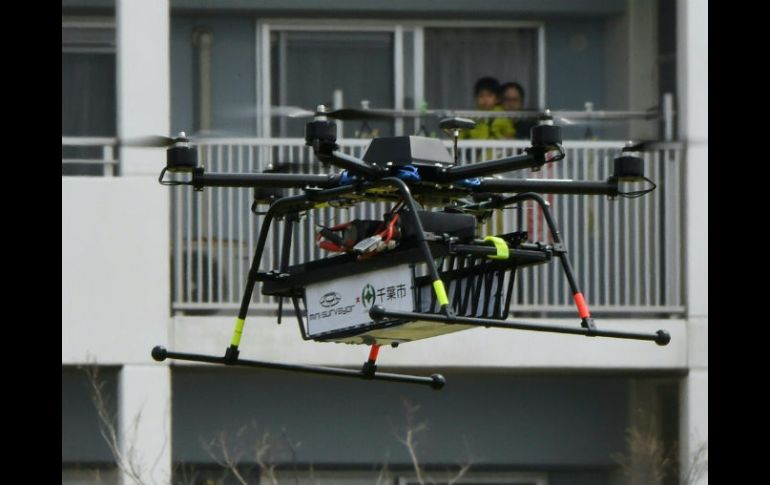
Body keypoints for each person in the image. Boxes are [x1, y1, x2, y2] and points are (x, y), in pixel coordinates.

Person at [460, 77, 515, 141]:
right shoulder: (472, 117)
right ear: (476, 98)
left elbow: (509, 134)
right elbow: (461, 135)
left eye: (489, 96)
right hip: (477, 149)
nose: (485, 100)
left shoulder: (503, 115)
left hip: (497, 149)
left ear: (497, 99)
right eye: (481, 96)